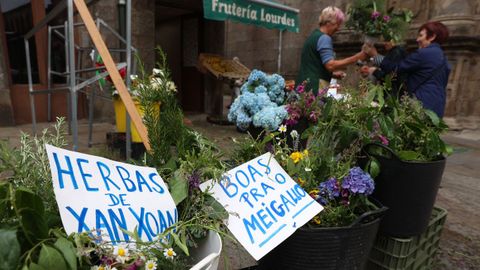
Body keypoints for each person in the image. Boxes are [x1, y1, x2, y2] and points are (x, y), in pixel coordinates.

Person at [364, 21, 451, 117]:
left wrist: (375, 56)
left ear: (432, 37)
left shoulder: (424, 53)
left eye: (421, 36)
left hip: (421, 106)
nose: (417, 40)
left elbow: (396, 69)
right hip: (437, 109)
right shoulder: (443, 57)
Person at [296, 6, 368, 94]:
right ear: (328, 23)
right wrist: (357, 57)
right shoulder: (325, 38)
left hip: (303, 85)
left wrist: (333, 74)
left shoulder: (313, 36)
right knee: (316, 108)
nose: (338, 28)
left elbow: (314, 64)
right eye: (337, 24)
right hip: (315, 87)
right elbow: (330, 65)